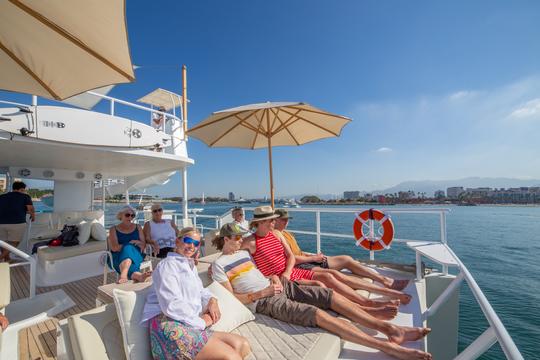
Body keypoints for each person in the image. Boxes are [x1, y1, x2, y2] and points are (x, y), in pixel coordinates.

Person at [211, 223, 432, 360]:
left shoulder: (242, 254)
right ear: (226, 239)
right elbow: (233, 299)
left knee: (329, 295)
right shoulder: (219, 265)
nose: (241, 240)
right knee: (317, 314)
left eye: (242, 237)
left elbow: (259, 272)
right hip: (264, 301)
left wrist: (274, 278)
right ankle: (386, 347)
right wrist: (261, 294)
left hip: (278, 285)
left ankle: (390, 329)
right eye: (237, 238)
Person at [243, 206, 399, 318]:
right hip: (282, 280)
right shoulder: (250, 242)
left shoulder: (276, 235)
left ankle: (366, 302)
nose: (273, 223)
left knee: (329, 276)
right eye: (271, 220)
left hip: (290, 272)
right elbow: (229, 251)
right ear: (261, 222)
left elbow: (290, 256)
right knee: (323, 282)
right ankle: (363, 307)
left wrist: (287, 271)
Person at [142, 229, 250, 360]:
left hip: (187, 323)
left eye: (196, 243)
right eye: (188, 241)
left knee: (242, 345)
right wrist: (201, 322)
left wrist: (212, 300)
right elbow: (171, 305)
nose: (192, 246)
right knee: (231, 357)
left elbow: (200, 290)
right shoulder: (167, 266)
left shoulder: (189, 264)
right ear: (177, 241)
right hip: (169, 325)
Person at [273, 208, 411, 303]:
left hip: (307, 259)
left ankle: (384, 280)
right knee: (333, 274)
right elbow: (292, 259)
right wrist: (314, 258)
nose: (286, 222)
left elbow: (298, 252)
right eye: (283, 220)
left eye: (287, 219)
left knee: (346, 259)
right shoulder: (276, 236)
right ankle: (385, 291)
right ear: (274, 220)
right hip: (301, 265)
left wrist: (313, 256)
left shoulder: (287, 233)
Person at [108, 206, 150, 284]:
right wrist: (130, 244)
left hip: (136, 254)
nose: (130, 217)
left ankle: (124, 275)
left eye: (132, 215)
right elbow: (114, 248)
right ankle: (138, 276)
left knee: (129, 251)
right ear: (121, 215)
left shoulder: (138, 227)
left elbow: (143, 244)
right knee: (128, 248)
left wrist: (139, 243)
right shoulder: (113, 229)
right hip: (117, 255)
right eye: (127, 215)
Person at [0, 181, 35, 262]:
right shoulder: (25, 196)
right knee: (15, 242)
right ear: (22, 189)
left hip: (1, 223)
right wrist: (33, 216)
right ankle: (1, 258)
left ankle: (7, 259)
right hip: (17, 223)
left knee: (3, 242)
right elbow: (30, 209)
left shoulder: (1, 196)